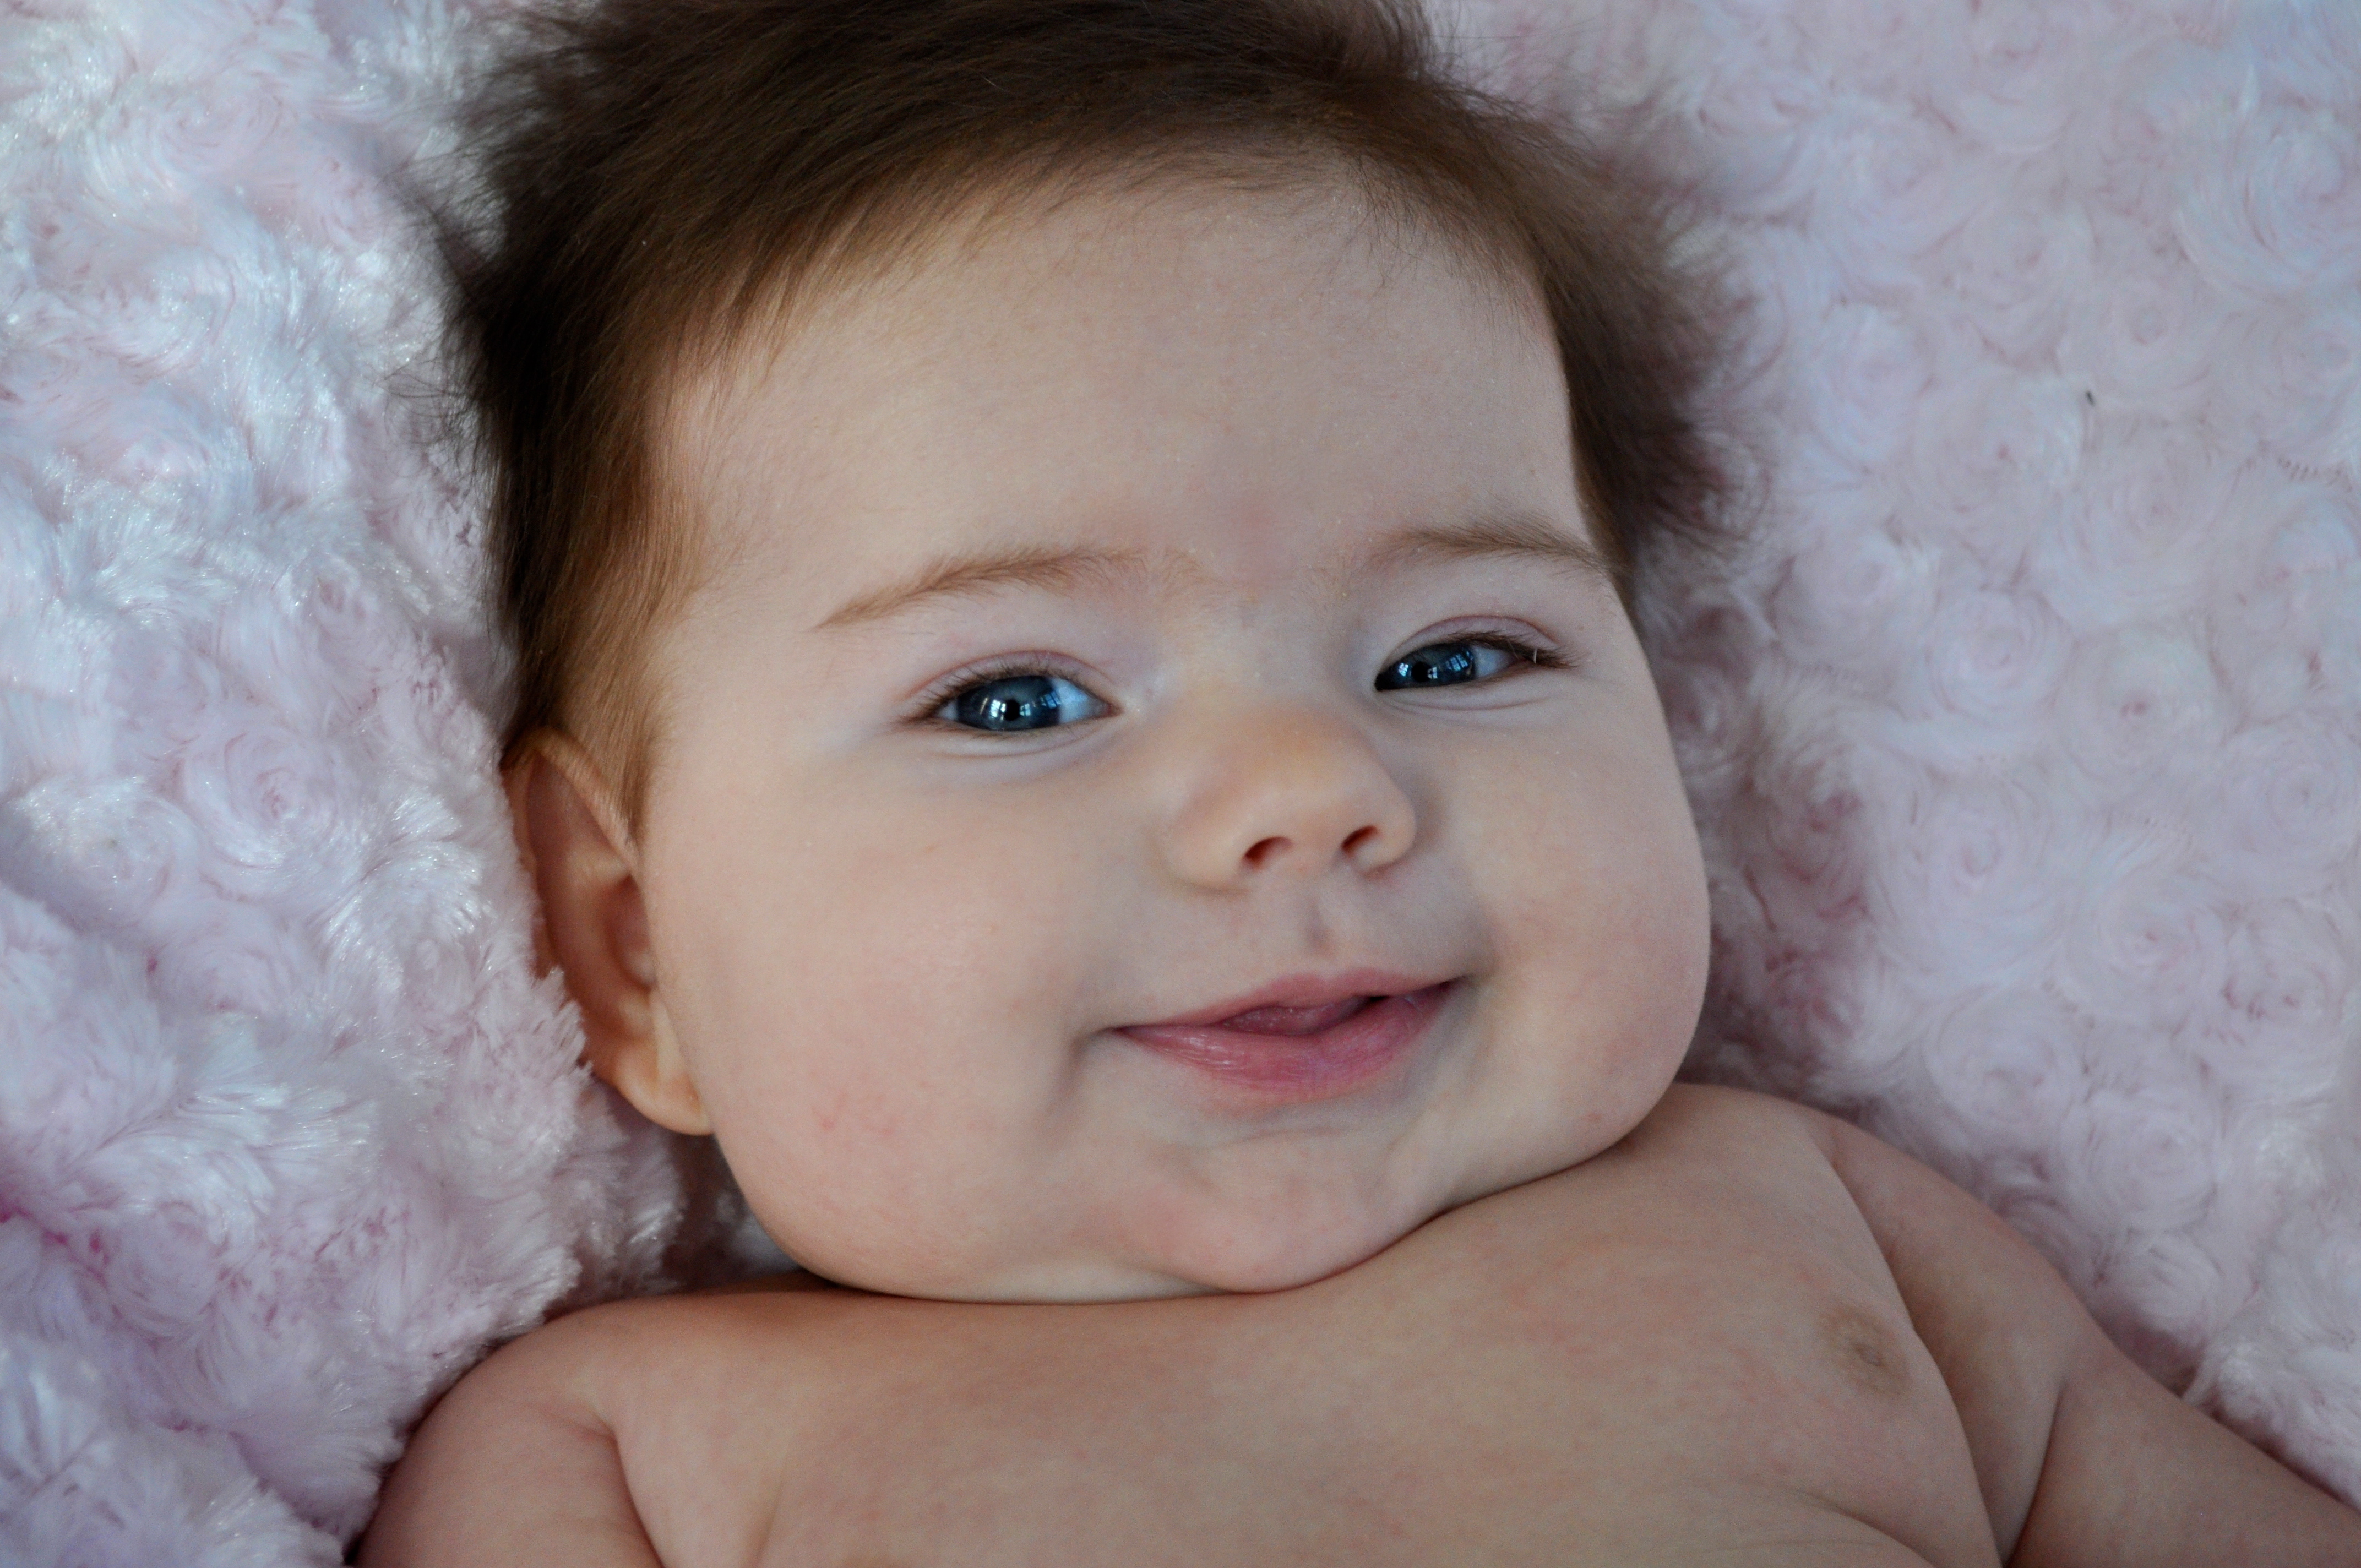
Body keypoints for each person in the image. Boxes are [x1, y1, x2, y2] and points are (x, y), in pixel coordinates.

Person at [363, 1, 2361, 1561]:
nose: (1310, 790)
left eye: (1454, 658)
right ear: (637, 947)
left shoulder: (1824, 1234)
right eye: (1020, 698)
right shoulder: (632, 1451)